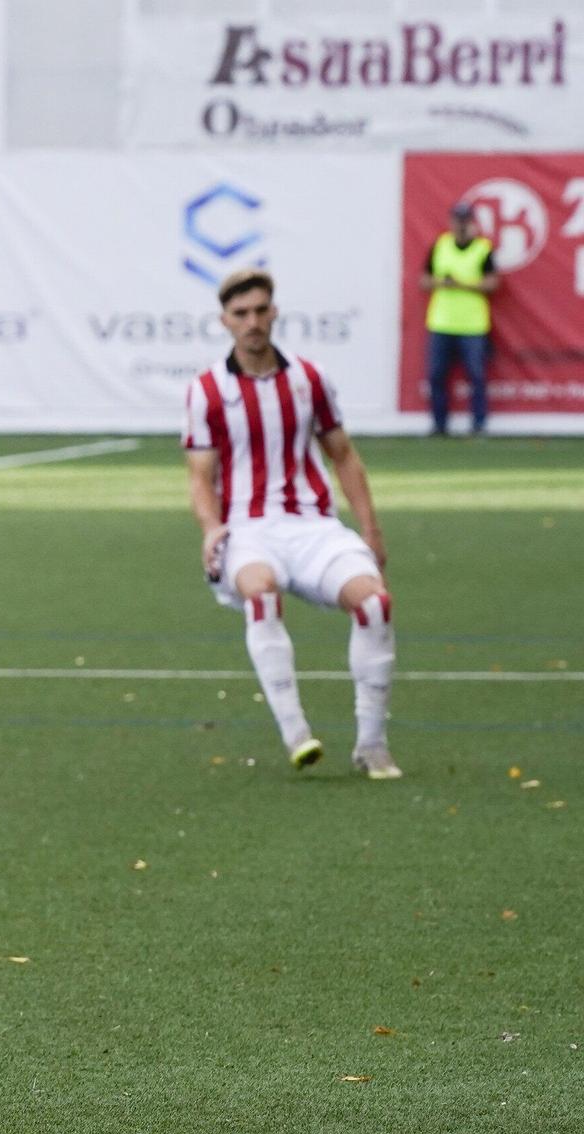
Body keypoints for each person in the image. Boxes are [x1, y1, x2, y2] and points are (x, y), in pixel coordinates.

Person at [183, 269, 401, 780]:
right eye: (241, 314)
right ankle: (297, 734)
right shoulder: (207, 391)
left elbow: (343, 455)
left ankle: (372, 745)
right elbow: (200, 477)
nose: (253, 322)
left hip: (313, 526)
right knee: (261, 594)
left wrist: (371, 530)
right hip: (247, 529)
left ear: (274, 312)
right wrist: (211, 528)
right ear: (225, 321)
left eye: (260, 310)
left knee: (375, 603)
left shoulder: (309, 379)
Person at [419, 200, 499, 437]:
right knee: (436, 375)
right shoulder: (441, 245)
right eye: (458, 219)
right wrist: (442, 282)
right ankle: (439, 424)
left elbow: (493, 283)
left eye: (465, 220)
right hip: (441, 321)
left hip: (473, 324)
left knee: (476, 375)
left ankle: (479, 424)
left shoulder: (483, 248)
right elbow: (423, 280)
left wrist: (462, 284)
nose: (461, 225)